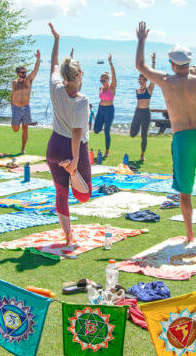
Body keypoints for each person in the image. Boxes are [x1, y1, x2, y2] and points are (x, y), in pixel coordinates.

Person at [135, 21, 196, 242]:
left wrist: (141, 40)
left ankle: (189, 235)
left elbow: (140, 65)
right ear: (189, 62)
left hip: (183, 138)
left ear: (172, 64)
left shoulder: (166, 81)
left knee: (185, 192)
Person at [46, 23, 92, 247]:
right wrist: (74, 161)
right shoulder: (81, 100)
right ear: (79, 74)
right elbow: (76, 132)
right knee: (84, 195)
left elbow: (53, 63)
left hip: (54, 146)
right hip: (73, 148)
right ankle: (71, 171)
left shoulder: (55, 86)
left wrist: (56, 40)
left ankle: (68, 236)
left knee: (61, 193)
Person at [10, 52, 41, 154]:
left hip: (26, 107)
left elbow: (35, 70)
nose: (24, 74)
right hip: (16, 107)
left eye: (25, 72)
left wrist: (38, 59)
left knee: (25, 128)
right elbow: (12, 95)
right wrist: (12, 107)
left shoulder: (28, 81)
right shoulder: (14, 83)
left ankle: (23, 149)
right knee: (15, 129)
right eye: (22, 72)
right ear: (18, 73)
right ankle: (14, 123)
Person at [129, 52, 156, 161]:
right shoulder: (137, 90)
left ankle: (142, 155)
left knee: (144, 135)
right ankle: (138, 129)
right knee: (132, 134)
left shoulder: (149, 89)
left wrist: (153, 62)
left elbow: (153, 76)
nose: (140, 81)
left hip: (146, 113)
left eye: (142, 80)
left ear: (146, 80)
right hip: (137, 112)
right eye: (139, 80)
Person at [93, 54, 117, 157]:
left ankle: (107, 151)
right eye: (101, 80)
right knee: (96, 129)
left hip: (109, 110)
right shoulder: (100, 88)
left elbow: (114, 75)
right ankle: (104, 125)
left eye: (103, 80)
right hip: (101, 109)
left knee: (107, 131)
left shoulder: (112, 87)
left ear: (108, 80)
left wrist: (111, 63)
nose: (102, 82)